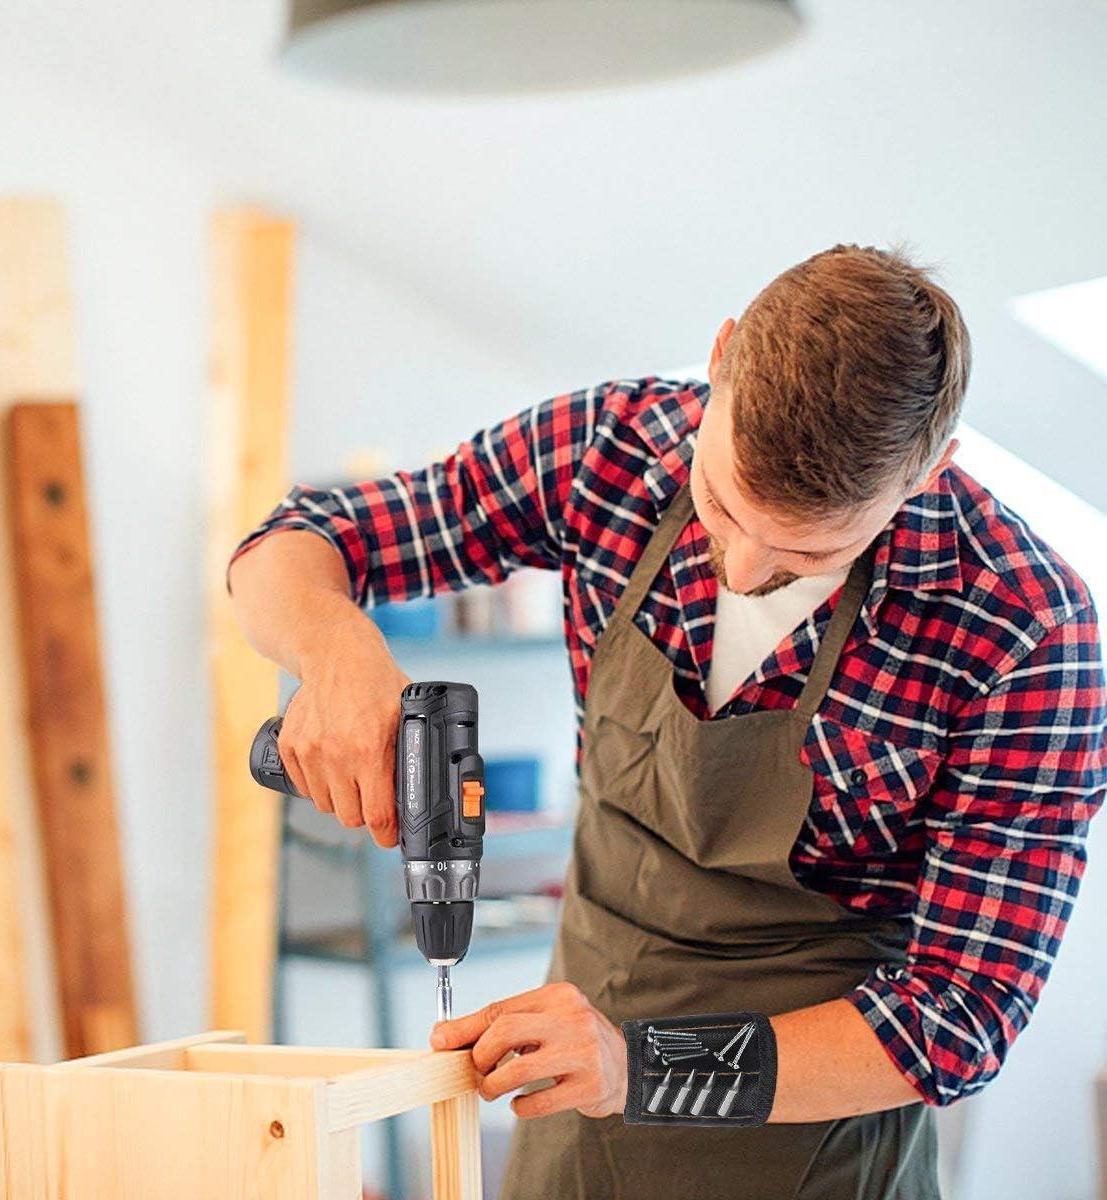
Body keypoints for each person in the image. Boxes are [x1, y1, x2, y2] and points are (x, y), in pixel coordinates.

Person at [227, 243, 1106, 1199]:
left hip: (812, 1158)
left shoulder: (1024, 627)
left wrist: (642, 1066)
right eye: (722, 503)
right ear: (720, 358)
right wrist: (341, 660)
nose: (743, 569)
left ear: (930, 470)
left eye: (808, 553)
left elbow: (960, 1017)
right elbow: (292, 543)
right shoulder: (614, 448)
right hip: (574, 1120)